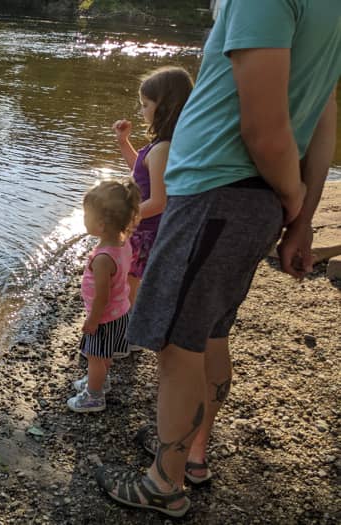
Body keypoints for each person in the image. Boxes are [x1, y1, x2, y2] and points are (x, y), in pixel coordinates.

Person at [95, 0, 340, 518]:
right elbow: (322, 114)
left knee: (177, 345)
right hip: (250, 199)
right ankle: (193, 456)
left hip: (217, 192)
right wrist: (301, 214)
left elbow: (263, 129)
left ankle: (166, 482)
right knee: (210, 332)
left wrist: (295, 202)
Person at [112, 66, 193, 308]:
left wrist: (123, 218)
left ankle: (128, 336)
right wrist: (123, 142)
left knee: (130, 285)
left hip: (145, 231)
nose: (141, 110)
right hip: (141, 227)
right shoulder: (159, 147)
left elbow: (159, 201)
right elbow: (140, 170)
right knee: (128, 282)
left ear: (165, 107)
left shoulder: (162, 149)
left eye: (146, 104)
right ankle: (127, 332)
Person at [66, 179, 140, 413]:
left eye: (86, 215)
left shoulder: (102, 259)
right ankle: (99, 381)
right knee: (104, 354)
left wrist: (93, 320)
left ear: (101, 223)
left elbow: (102, 296)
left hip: (104, 318)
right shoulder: (122, 243)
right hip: (120, 312)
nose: (83, 219)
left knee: (95, 356)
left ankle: (94, 396)